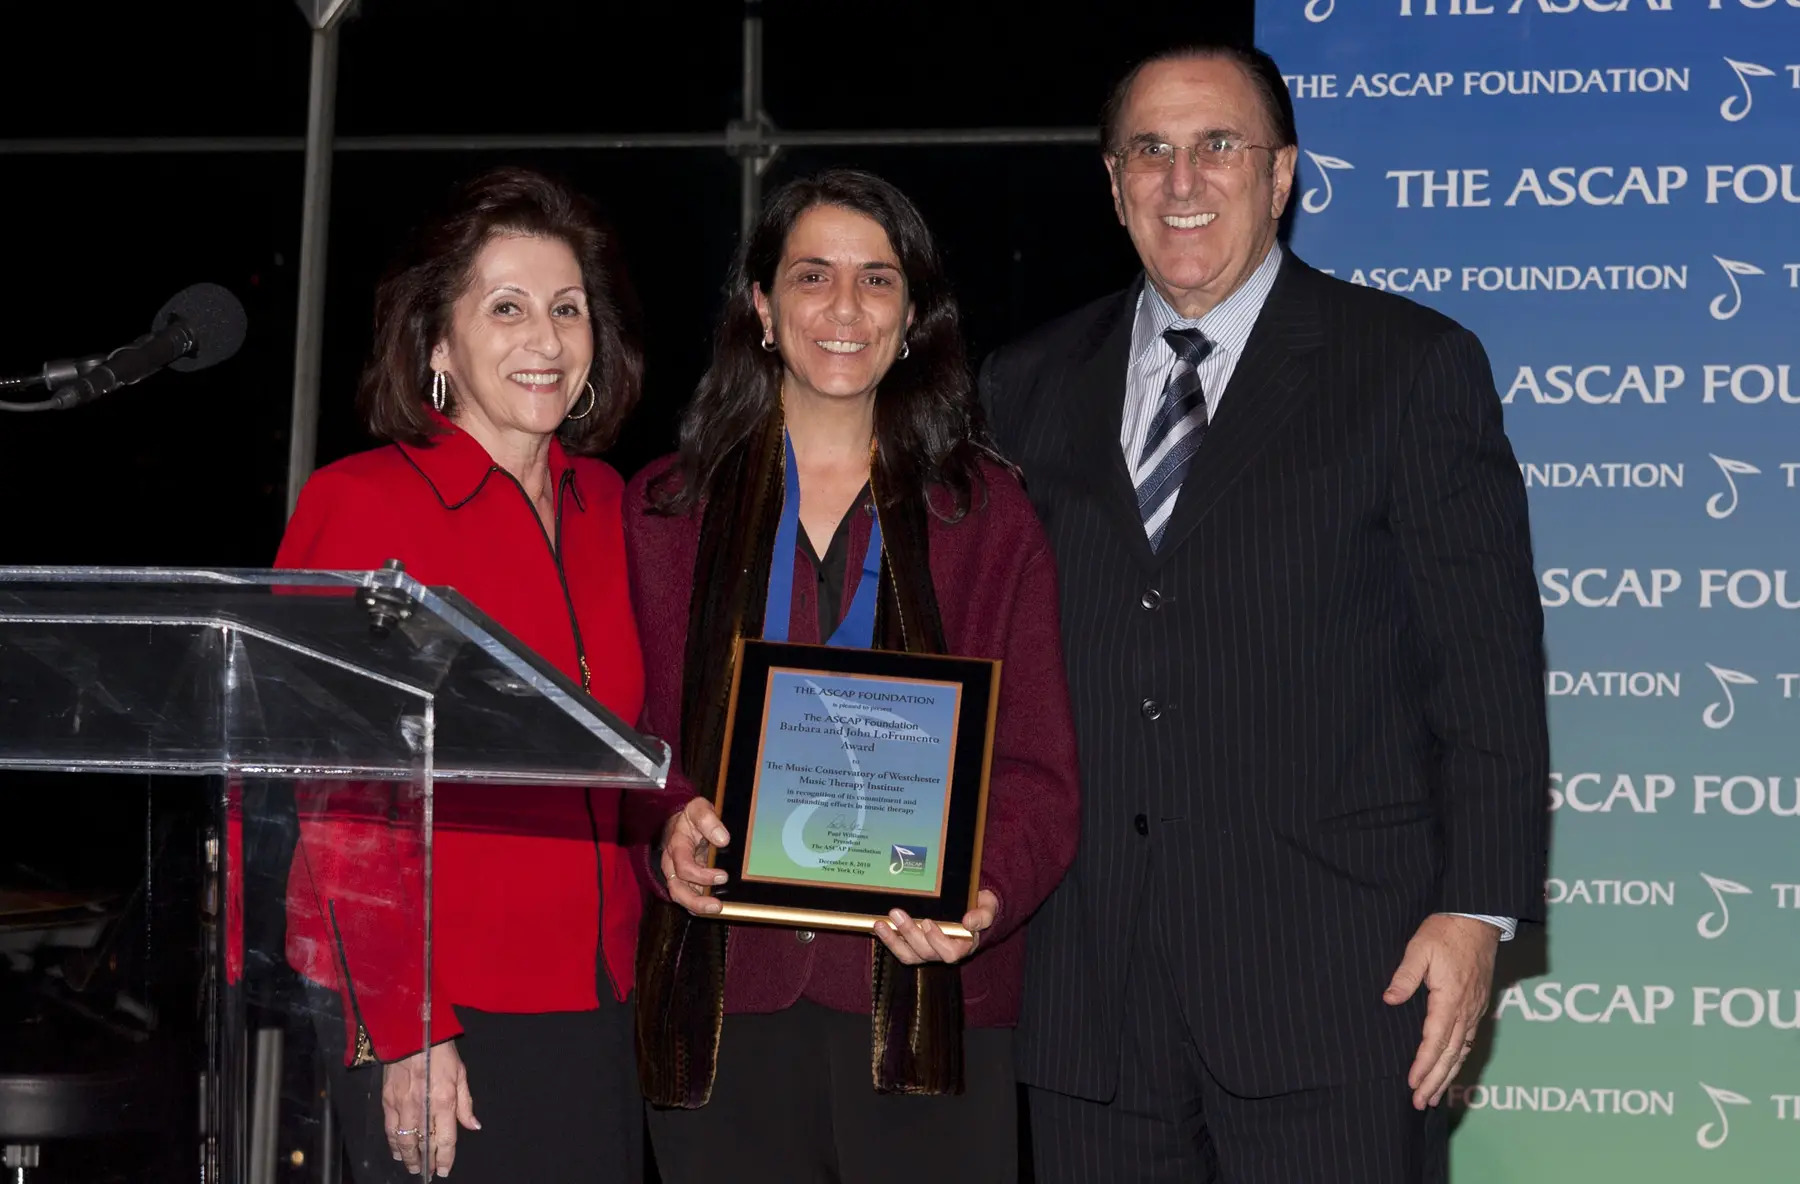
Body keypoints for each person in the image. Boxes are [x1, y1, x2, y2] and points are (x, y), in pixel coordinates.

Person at [979, 44, 1550, 1183]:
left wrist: (1475, 914)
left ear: (1282, 174)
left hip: (1336, 991)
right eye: (1151, 150)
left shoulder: (1408, 366)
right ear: (1112, 183)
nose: (1181, 179)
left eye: (1217, 146)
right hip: (1092, 998)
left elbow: (1483, 674)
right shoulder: (1023, 384)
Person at [623, 168, 1080, 1184]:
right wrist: (666, 827)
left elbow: (1042, 771)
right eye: (812, 275)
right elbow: (618, 738)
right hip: (721, 996)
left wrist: (986, 894)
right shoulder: (662, 509)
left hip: (928, 998)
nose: (843, 307)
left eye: (877, 280)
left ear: (913, 316)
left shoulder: (985, 515)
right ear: (760, 307)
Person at [274, 166, 647, 1182]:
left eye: (569, 308)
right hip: (443, 1010)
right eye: (509, 307)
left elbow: (632, 734)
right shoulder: (362, 506)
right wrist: (406, 1027)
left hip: (601, 999)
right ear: (439, 344)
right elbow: (337, 791)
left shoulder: (612, 505)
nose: (547, 337)